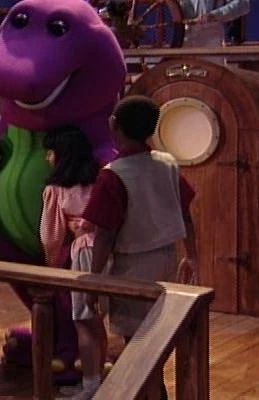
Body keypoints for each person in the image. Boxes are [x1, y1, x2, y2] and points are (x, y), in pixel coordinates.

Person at [82, 95, 198, 400]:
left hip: (133, 264)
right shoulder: (167, 163)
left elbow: (104, 234)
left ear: (114, 125)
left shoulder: (114, 174)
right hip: (168, 256)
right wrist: (192, 255)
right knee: (156, 335)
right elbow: (186, 213)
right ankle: (156, 392)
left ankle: (152, 394)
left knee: (139, 341)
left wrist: (94, 280)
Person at [39, 125, 108, 400]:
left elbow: (51, 236)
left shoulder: (56, 189)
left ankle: (91, 386)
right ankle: (98, 379)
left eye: (50, 152)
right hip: (109, 250)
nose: (47, 157)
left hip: (85, 252)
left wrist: (51, 266)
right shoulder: (101, 180)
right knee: (98, 321)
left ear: (62, 155)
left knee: (84, 321)